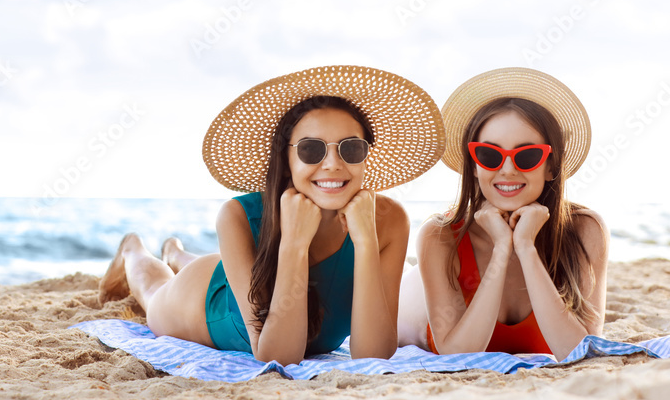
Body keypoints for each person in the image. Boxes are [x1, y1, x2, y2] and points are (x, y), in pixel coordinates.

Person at [98, 65, 445, 365]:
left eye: (351, 148)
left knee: (215, 263)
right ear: (287, 157)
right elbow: (276, 354)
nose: (333, 163)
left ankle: (176, 252)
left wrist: (366, 242)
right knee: (153, 288)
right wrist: (295, 242)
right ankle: (134, 249)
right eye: (311, 149)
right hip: (205, 300)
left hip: (245, 271)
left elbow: (372, 356)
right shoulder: (236, 215)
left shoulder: (389, 220)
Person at [397, 68, 610, 361]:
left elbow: (581, 352)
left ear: (550, 166)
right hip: (406, 302)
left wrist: (525, 247)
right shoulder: (441, 234)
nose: (507, 169)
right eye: (489, 154)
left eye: (527, 155)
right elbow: (459, 354)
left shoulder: (586, 231)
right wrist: (501, 248)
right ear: (473, 165)